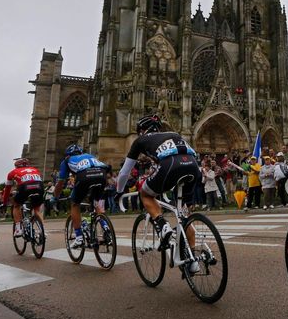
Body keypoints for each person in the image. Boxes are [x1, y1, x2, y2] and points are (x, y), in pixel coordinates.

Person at [116, 114, 201, 273]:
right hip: (193, 165)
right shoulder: (174, 135)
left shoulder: (141, 140)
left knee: (146, 194)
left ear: (142, 130)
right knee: (184, 216)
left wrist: (119, 191)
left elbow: (123, 173)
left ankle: (163, 226)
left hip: (171, 166)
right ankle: (193, 259)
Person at [52, 145, 110, 248]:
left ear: (67, 155)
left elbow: (60, 183)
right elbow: (107, 168)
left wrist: (55, 196)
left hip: (84, 176)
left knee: (75, 204)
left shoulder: (66, 160)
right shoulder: (89, 155)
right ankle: (106, 228)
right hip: (102, 174)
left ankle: (79, 237)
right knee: (96, 202)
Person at [4, 158, 45, 237]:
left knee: (16, 205)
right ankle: (42, 230)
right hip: (39, 186)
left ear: (16, 166)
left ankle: (18, 229)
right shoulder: (34, 169)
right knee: (37, 209)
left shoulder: (12, 172)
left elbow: (7, 189)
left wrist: (5, 201)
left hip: (24, 187)